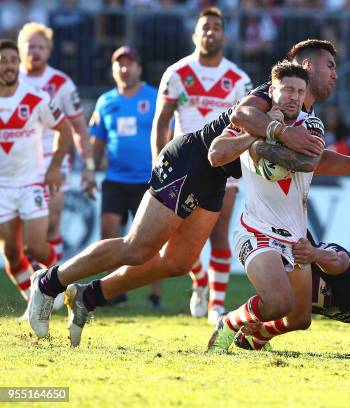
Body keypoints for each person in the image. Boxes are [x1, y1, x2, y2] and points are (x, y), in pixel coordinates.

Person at [26, 39, 331, 346]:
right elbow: (236, 123)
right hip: (192, 160)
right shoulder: (271, 95)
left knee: (178, 263)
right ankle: (49, 282)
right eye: (329, 66)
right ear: (307, 67)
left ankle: (89, 296)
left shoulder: (304, 111)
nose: (335, 74)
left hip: (215, 178)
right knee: (137, 247)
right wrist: (276, 132)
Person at [206, 61, 350, 353]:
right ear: (272, 89)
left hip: (294, 237)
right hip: (256, 229)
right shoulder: (249, 122)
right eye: (288, 89)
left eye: (300, 91)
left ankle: (252, 339)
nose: (294, 96)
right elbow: (215, 155)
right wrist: (262, 134)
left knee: (299, 318)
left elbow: (310, 162)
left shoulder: (310, 125)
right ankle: (229, 323)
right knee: (279, 301)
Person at [154, 7, 252, 320]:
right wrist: (159, 159)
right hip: (185, 162)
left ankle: (216, 306)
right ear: (195, 34)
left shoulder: (238, 79)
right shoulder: (177, 73)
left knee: (220, 230)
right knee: (174, 235)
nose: (210, 32)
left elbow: (251, 123)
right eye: (205, 27)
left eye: (216, 27)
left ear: (224, 35)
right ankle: (200, 279)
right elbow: (162, 121)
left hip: (226, 165)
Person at [18, 22, 97, 269]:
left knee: (52, 219)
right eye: (30, 47)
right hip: (18, 160)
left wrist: (89, 166)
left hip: (55, 157)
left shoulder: (61, 83)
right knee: (21, 228)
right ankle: (32, 282)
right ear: (21, 50)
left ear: (49, 51)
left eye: (40, 47)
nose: (35, 52)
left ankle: (50, 283)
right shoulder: (10, 80)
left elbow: (79, 128)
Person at [0, 39, 72, 306]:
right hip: (2, 188)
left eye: (12, 61)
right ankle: (35, 304)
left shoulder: (35, 98)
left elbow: (65, 131)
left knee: (36, 248)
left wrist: (54, 167)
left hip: (31, 183)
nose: (8, 66)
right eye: (3, 61)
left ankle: (67, 284)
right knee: (12, 254)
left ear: (19, 64)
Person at [89, 46, 161, 307]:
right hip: (115, 179)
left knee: (151, 239)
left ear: (139, 68)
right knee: (108, 230)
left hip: (148, 180)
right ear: (113, 69)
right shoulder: (105, 101)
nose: (124, 68)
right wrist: (88, 171)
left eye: (129, 63)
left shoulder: (154, 97)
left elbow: (167, 132)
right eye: (119, 64)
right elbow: (96, 141)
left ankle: (155, 295)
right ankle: (112, 292)